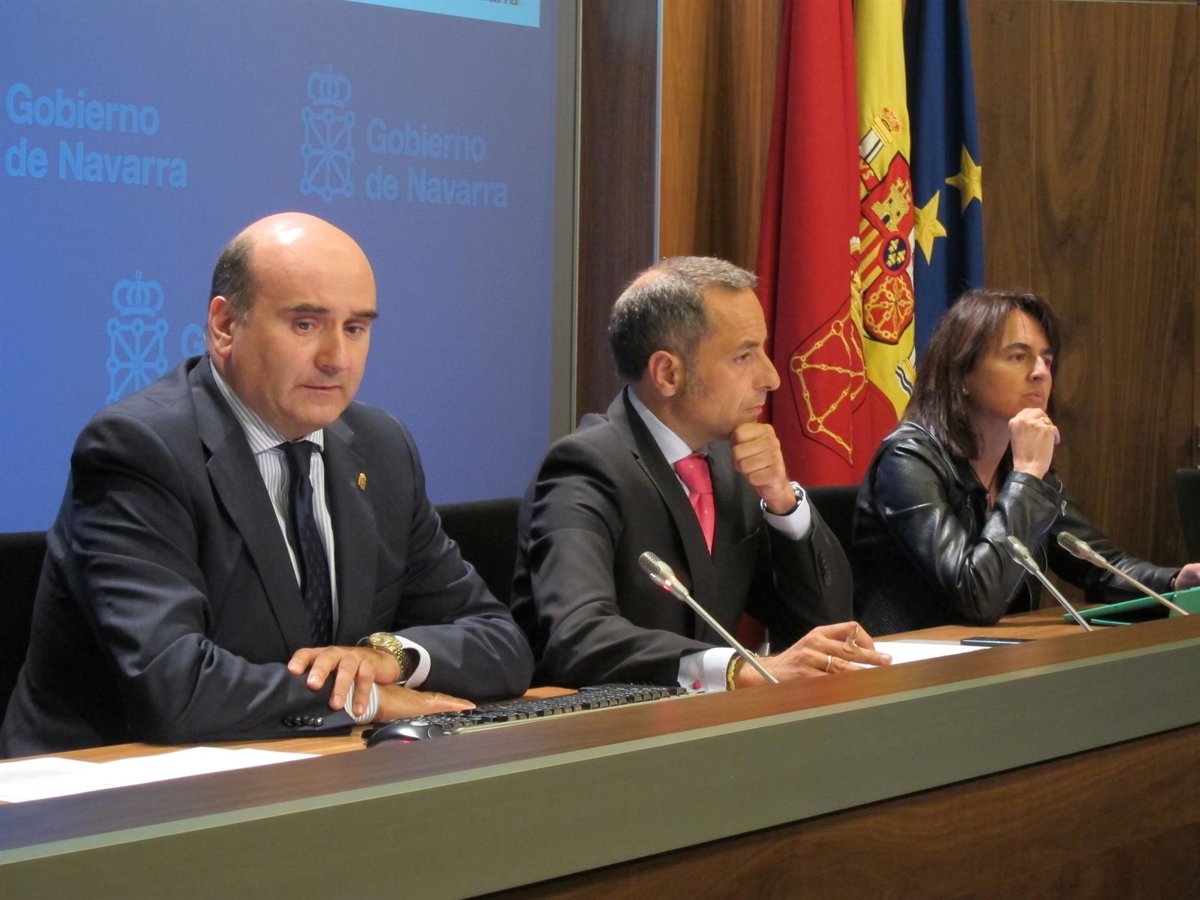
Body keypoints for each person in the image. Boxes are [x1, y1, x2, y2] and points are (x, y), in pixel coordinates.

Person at [0, 212, 533, 756]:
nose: (336, 359)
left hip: (312, 771)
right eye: (305, 325)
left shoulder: (382, 448)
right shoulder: (140, 449)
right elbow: (173, 686)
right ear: (224, 326)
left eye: (355, 329)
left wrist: (389, 657)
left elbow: (500, 643)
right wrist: (365, 700)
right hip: (107, 784)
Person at [511, 256, 889, 691]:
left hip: (714, 723)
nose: (771, 378)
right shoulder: (585, 467)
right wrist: (736, 669)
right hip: (600, 726)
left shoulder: (729, 467)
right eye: (744, 356)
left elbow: (825, 623)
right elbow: (579, 636)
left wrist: (782, 501)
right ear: (668, 373)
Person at [852, 288, 1200, 635]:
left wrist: (1174, 582)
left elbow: (1098, 567)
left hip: (999, 657)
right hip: (913, 663)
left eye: (1046, 360)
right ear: (962, 374)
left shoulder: (1014, 463)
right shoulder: (908, 460)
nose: (1040, 373)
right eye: (1018, 357)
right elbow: (977, 595)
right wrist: (1028, 475)